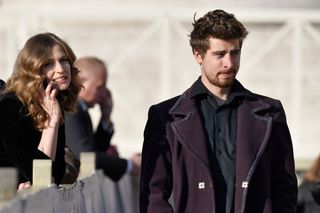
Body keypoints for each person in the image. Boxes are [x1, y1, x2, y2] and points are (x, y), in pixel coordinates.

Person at [140, 9, 297, 213]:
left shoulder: (270, 112)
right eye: (219, 54)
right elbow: (153, 195)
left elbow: (285, 187)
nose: (229, 63)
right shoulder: (164, 117)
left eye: (235, 53)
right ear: (198, 55)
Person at [0, 32, 82, 189]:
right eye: (49, 64)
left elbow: (54, 175)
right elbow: (41, 175)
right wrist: (51, 123)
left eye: (64, 60)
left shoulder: (53, 104)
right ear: (33, 70)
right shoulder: (10, 107)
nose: (60, 69)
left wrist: (53, 119)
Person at [65, 56, 141, 182]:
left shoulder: (81, 110)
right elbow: (86, 157)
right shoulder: (72, 110)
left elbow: (93, 151)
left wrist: (105, 118)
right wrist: (129, 165)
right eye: (100, 87)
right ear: (80, 83)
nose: (105, 93)